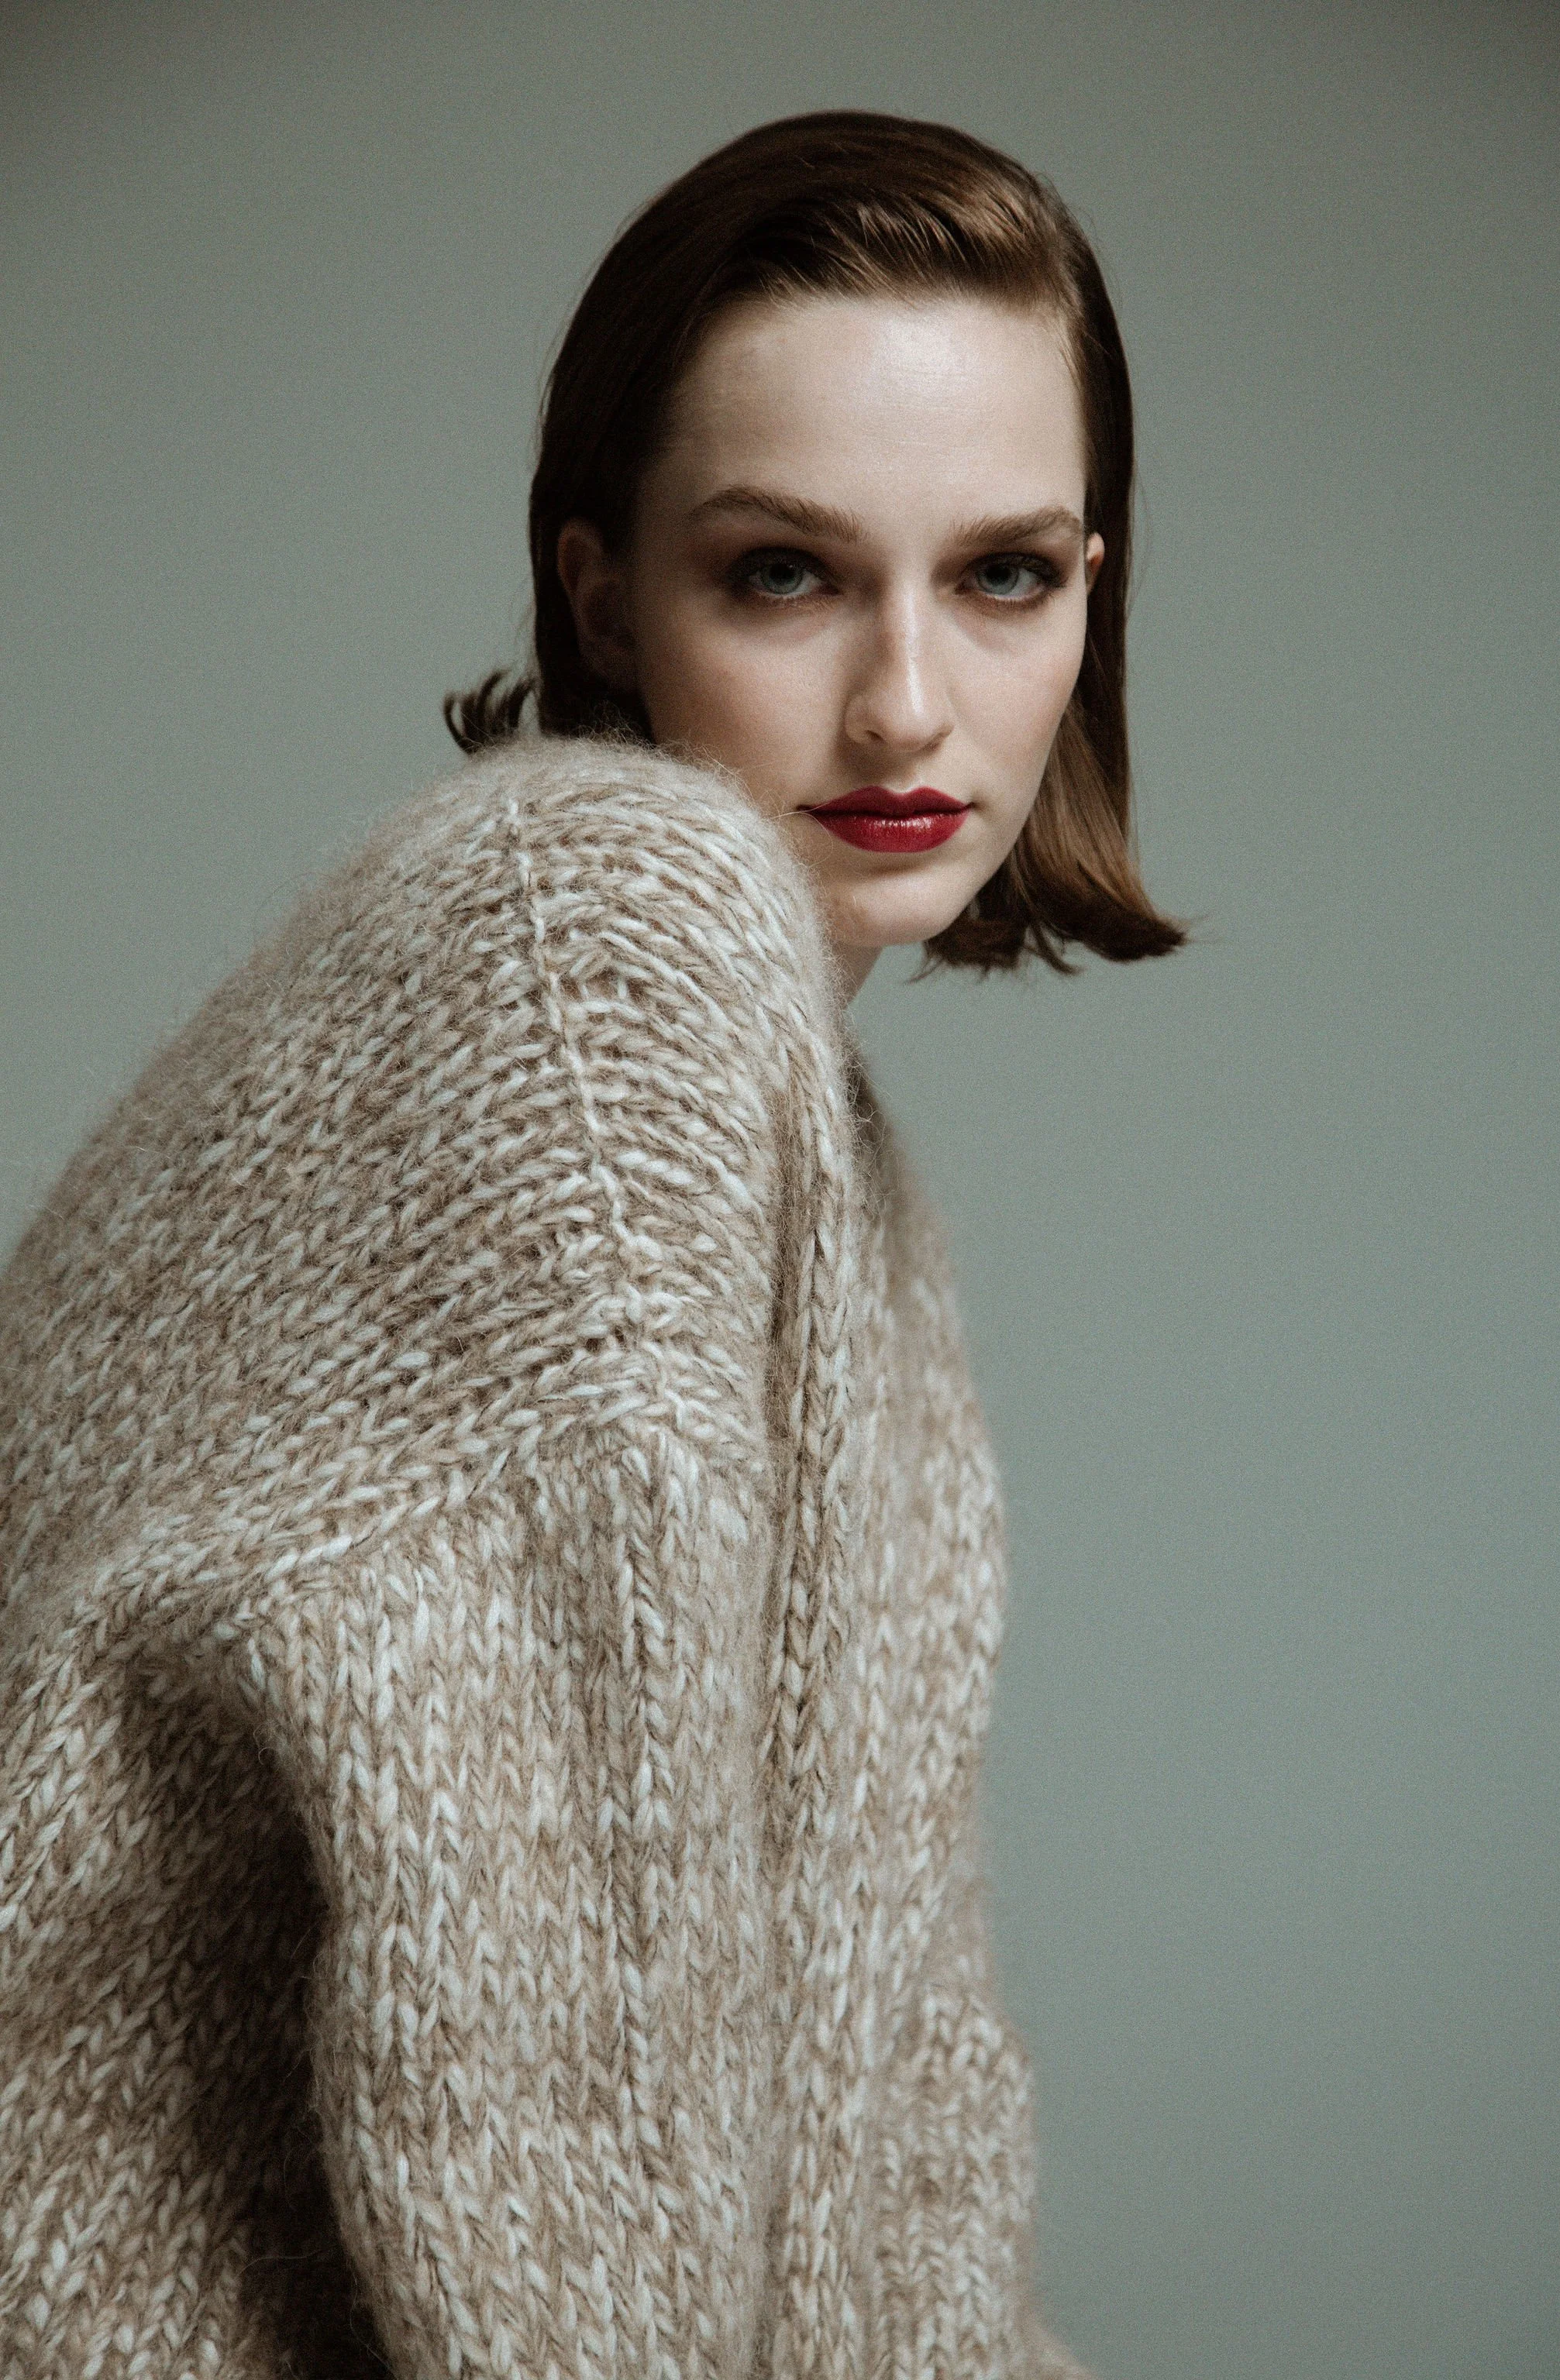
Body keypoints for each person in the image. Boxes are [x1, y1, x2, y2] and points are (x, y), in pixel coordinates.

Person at [0, 111, 1180, 2379]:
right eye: (785, 574)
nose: (911, 703)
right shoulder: (589, 940)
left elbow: (876, 2079)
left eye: (1006, 575)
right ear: (599, 592)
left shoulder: (827, 1156)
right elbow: (552, 2067)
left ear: (1093, 590)